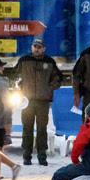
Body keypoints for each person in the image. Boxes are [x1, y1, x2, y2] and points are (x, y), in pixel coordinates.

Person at [16, 38, 62, 166]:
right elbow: (14, 76)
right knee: (27, 128)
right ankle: (27, 156)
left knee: (42, 129)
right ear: (32, 47)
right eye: (35, 46)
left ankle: (42, 156)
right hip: (27, 101)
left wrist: (48, 88)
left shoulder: (50, 61)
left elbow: (58, 78)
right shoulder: (24, 60)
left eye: (39, 47)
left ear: (44, 48)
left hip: (43, 102)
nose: (37, 49)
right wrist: (19, 87)